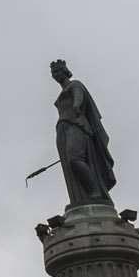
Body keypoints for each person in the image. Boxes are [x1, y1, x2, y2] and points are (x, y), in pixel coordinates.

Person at [51, 59, 116, 208]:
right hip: (62, 128)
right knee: (68, 165)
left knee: (75, 159)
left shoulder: (75, 85)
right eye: (53, 73)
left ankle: (95, 191)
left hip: (76, 123)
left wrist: (77, 105)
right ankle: (79, 199)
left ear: (65, 71)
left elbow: (79, 96)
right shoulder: (62, 92)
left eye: (57, 71)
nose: (55, 74)